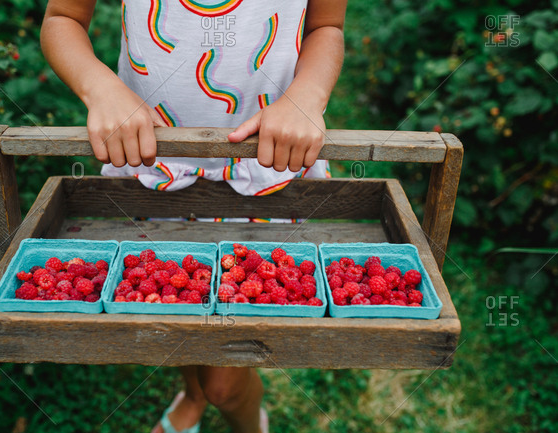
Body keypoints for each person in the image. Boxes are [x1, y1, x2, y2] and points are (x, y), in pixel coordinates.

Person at [41, 0, 346, 431]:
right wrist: (101, 88)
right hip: (154, 171)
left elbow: (327, 26)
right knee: (172, 302)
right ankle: (193, 391)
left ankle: (239, 415)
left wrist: (307, 96)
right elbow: (62, 18)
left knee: (226, 382)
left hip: (266, 173)